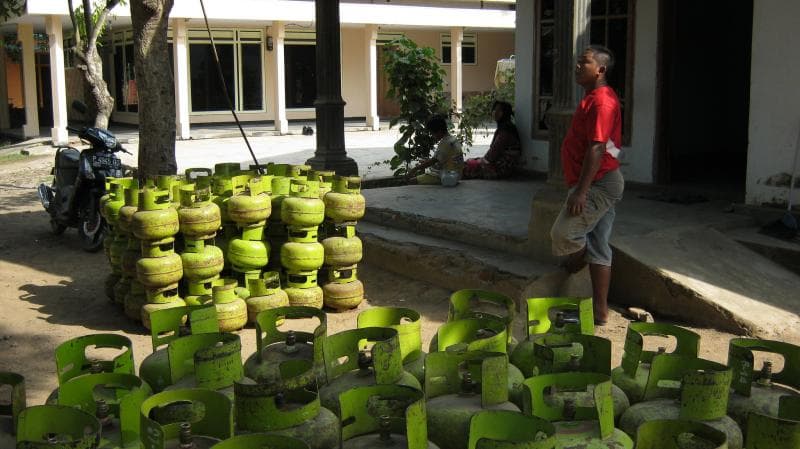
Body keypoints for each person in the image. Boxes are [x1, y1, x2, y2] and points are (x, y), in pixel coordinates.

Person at [550, 45, 625, 325]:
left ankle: (574, 264)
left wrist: (581, 191)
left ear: (600, 70)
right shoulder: (593, 98)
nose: (578, 66)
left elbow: (597, 147)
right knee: (600, 246)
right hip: (601, 180)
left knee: (563, 234)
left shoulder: (602, 101)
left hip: (598, 183)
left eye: (585, 62)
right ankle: (599, 313)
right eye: (578, 62)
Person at [462, 101, 521, 179]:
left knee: (467, 166)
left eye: (499, 110)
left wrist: (478, 161)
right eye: (494, 110)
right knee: (471, 162)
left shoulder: (505, 131)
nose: (495, 112)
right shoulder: (505, 127)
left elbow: (491, 155)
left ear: (505, 113)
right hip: (502, 164)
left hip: (502, 167)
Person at [406, 115, 465, 186]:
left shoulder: (445, 143)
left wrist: (414, 169)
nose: (432, 136)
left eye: (432, 133)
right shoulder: (453, 139)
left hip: (447, 176)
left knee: (412, 181)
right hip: (457, 175)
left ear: (439, 132)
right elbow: (441, 159)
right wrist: (427, 162)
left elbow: (433, 161)